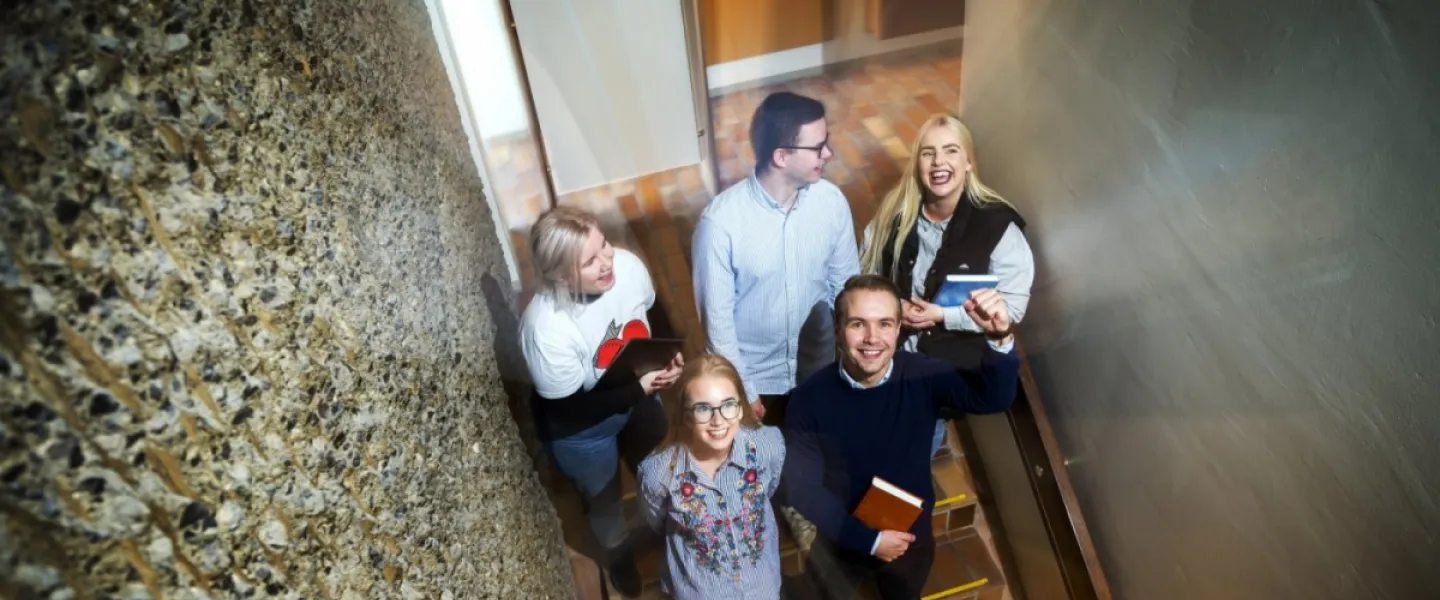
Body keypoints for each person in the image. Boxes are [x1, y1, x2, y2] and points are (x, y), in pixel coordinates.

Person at [783, 275, 1019, 599]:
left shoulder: (923, 374)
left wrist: (999, 337)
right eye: (857, 324)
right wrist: (870, 542)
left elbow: (992, 398)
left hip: (908, 536)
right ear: (838, 329)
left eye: (884, 324)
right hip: (840, 534)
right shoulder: (809, 399)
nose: (872, 338)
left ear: (898, 329)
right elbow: (801, 488)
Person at [519, 206, 683, 597]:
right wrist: (637, 391)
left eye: (604, 244)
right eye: (590, 261)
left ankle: (667, 530)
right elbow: (567, 408)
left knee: (658, 469)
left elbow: (651, 307)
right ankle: (618, 555)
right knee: (605, 501)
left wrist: (668, 353)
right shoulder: (546, 329)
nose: (608, 261)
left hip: (636, 393)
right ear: (560, 275)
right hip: (583, 430)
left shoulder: (624, 265)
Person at [859, 114, 1034, 455]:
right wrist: (894, 307)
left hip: (934, 382)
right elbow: (863, 269)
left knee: (904, 470)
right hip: (880, 363)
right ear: (918, 163)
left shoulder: (998, 228)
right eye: (928, 153)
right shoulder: (896, 211)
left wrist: (942, 315)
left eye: (951, 151)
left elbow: (1010, 311)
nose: (939, 162)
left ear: (968, 162)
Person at [693, 91, 860, 425]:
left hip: (818, 371)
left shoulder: (832, 202)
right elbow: (718, 325)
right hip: (756, 386)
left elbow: (845, 287)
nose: (827, 153)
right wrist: (743, 389)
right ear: (781, 156)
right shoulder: (719, 224)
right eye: (817, 147)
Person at [638, 354, 786, 600]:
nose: (718, 421)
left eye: (728, 404)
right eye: (703, 409)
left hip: (762, 586)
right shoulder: (658, 472)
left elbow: (767, 490)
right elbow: (658, 520)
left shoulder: (768, 445)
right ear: (686, 417)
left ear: (741, 409)